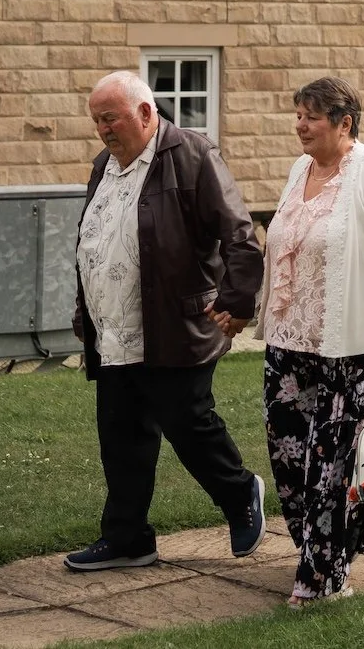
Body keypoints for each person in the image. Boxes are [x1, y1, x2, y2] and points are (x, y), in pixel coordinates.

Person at [66, 71, 266, 573]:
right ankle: (128, 539)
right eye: (96, 121)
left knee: (188, 422)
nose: (103, 130)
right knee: (121, 434)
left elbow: (238, 235)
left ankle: (241, 494)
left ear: (145, 113)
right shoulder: (104, 166)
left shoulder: (193, 155)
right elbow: (97, 239)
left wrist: (239, 301)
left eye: (110, 118)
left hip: (175, 323)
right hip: (114, 328)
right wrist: (84, 310)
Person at [255, 77, 364, 606]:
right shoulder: (299, 170)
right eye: (297, 114)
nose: (300, 125)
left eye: (311, 116)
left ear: (344, 122)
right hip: (289, 344)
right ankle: (320, 556)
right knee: (289, 459)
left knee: (330, 465)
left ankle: (321, 578)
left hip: (350, 349)